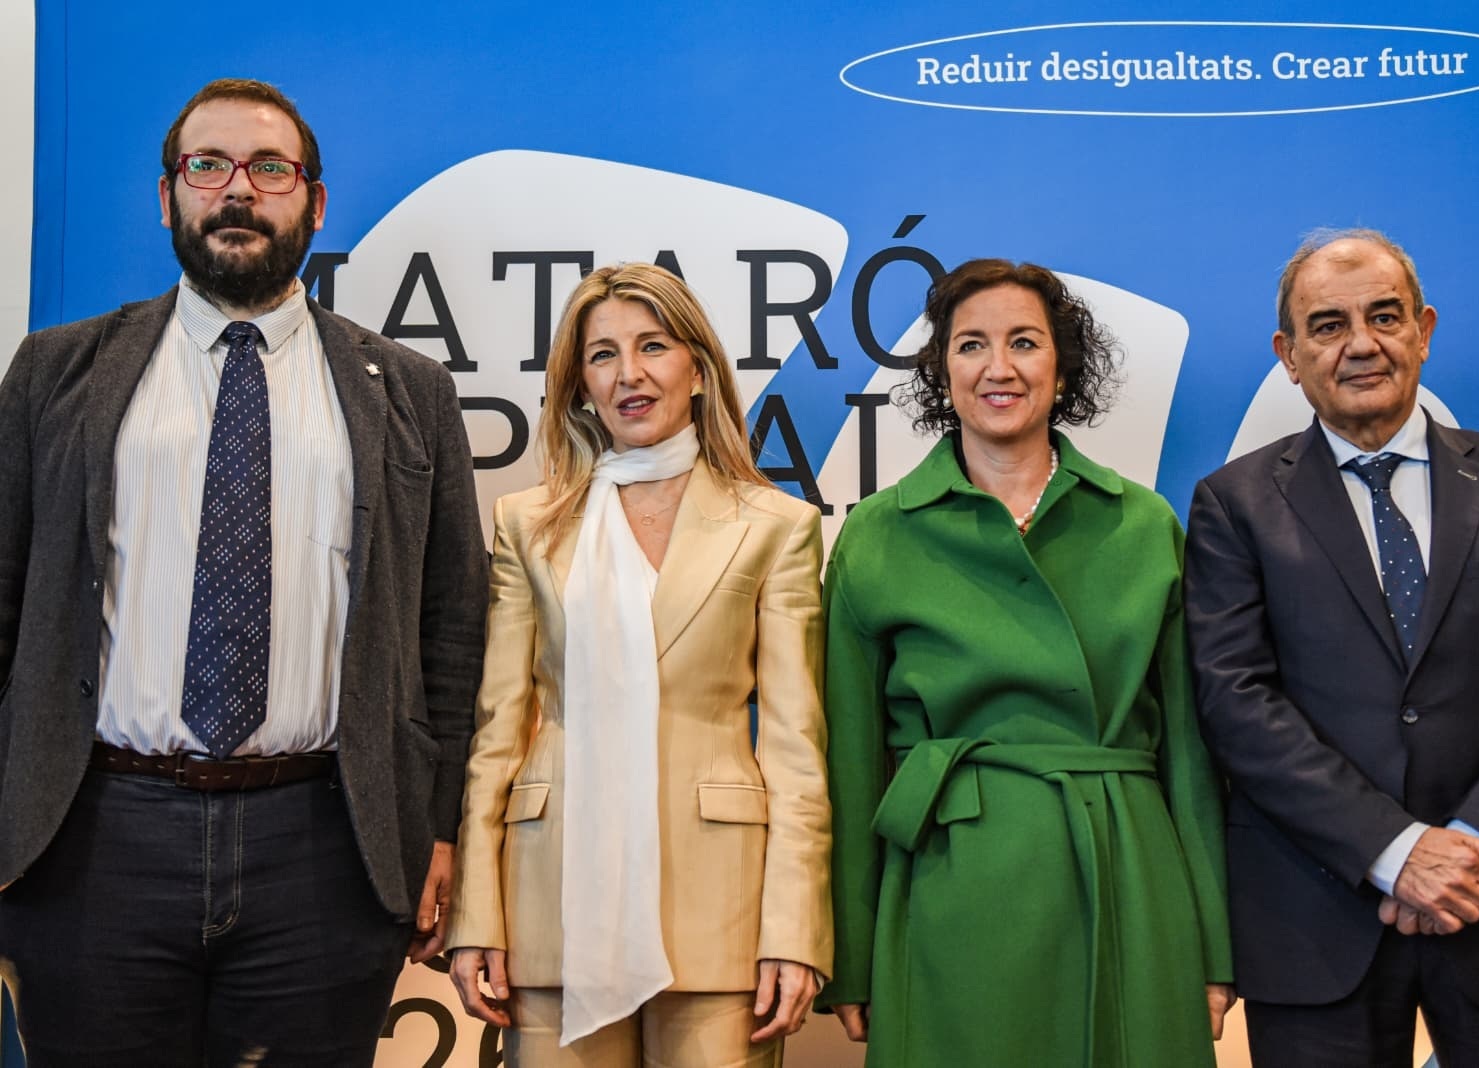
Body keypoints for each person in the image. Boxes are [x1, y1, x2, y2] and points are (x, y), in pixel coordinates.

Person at [0, 78, 488, 1065]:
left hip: (323, 847)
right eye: (207, 165)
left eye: (269, 168)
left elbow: (450, 631)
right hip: (92, 840)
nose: (237, 189)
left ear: (314, 200)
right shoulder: (56, 372)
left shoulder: (410, 392)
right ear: (167, 196)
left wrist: (438, 831)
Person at [1185, 228, 1479, 1066]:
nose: (1362, 344)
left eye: (1384, 316)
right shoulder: (1233, 506)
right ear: (1288, 355)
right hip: (1316, 922)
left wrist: (1469, 849)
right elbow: (1237, 703)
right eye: (1328, 325)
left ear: (1423, 330)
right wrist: (1397, 852)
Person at [817, 258, 1233, 1067]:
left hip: (1127, 874)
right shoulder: (878, 534)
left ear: (1062, 366)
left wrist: (1214, 944)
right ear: (942, 371)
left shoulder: (1143, 525)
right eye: (971, 344)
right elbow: (851, 766)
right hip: (951, 878)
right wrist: (853, 957)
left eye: (1024, 342)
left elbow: (1193, 753)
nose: (998, 367)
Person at [446, 262, 831, 1066]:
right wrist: (478, 912)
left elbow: (795, 749)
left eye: (653, 346)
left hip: (722, 907)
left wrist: (794, 928)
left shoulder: (775, 526)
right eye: (603, 355)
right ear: (580, 387)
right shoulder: (526, 525)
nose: (630, 373)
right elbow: (498, 733)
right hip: (550, 901)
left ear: (699, 369)